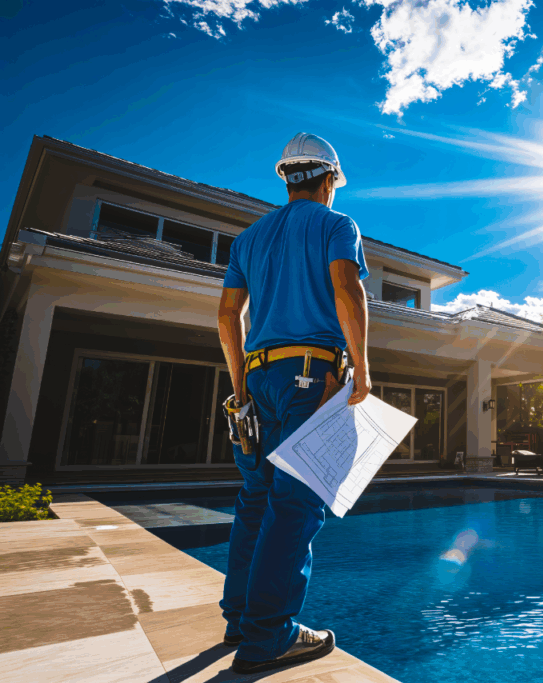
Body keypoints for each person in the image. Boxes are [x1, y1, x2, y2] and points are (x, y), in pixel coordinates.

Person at [216, 132, 371, 675]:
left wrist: (240, 386)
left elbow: (226, 316)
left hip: (257, 380)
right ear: (329, 180)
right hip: (310, 375)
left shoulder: (249, 239)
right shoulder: (337, 225)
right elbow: (346, 291)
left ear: (287, 178)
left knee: (255, 499)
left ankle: (239, 617)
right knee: (296, 502)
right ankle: (268, 636)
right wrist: (362, 369)